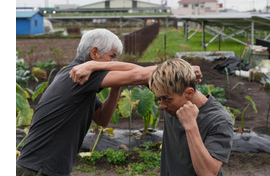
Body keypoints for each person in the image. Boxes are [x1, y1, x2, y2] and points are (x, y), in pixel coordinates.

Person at [16, 29, 202, 176]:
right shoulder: (80, 76)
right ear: (94, 53)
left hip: (41, 167)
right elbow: (139, 75)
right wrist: (182, 70)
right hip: (37, 169)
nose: (114, 62)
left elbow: (102, 119)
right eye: (112, 57)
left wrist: (116, 85)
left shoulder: (72, 75)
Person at [148, 58, 234, 176]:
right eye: (159, 99)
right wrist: (183, 70)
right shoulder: (172, 100)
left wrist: (191, 125)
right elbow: (132, 73)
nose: (162, 105)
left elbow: (208, 173)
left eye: (167, 99)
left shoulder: (219, 120)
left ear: (189, 93)